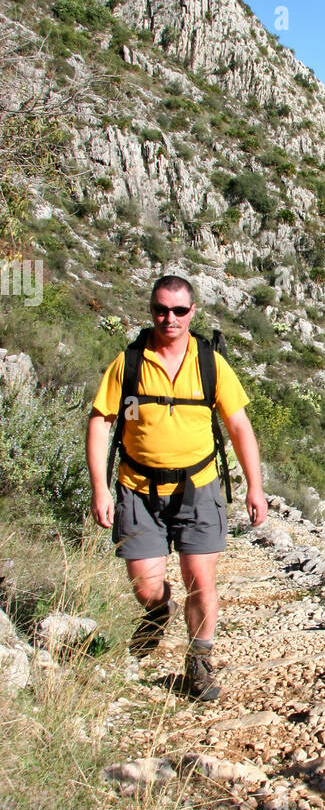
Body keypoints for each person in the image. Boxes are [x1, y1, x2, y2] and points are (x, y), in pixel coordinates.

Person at [86, 274, 268, 701]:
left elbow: (239, 426)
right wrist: (100, 488)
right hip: (137, 489)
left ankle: (199, 661)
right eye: (161, 309)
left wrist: (254, 488)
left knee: (200, 581)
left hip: (199, 487)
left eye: (179, 310)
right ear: (150, 311)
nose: (170, 318)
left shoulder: (210, 364)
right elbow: (101, 420)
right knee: (146, 586)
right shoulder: (130, 362)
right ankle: (157, 611)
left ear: (192, 313)